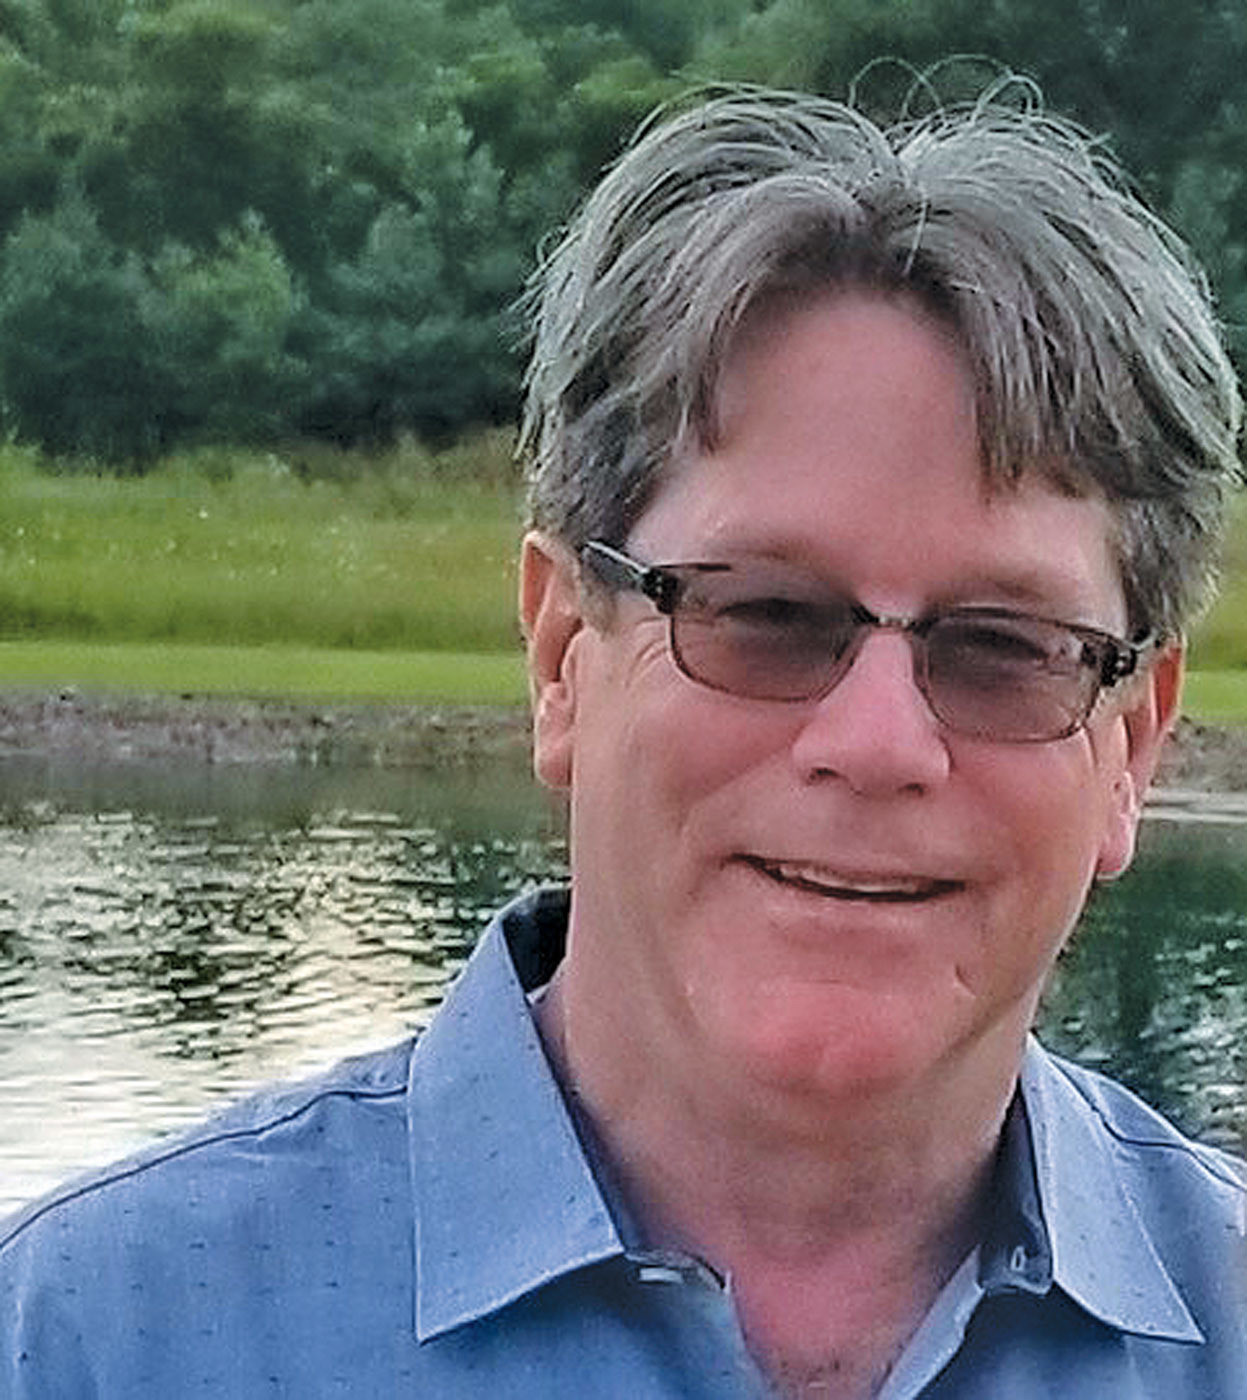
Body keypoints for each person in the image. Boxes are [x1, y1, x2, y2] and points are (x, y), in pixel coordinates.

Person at [2, 84, 1244, 1399]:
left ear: (1132, 747)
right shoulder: (91, 1343)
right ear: (560, 659)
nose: (880, 743)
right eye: (764, 615)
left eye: (1004, 648)